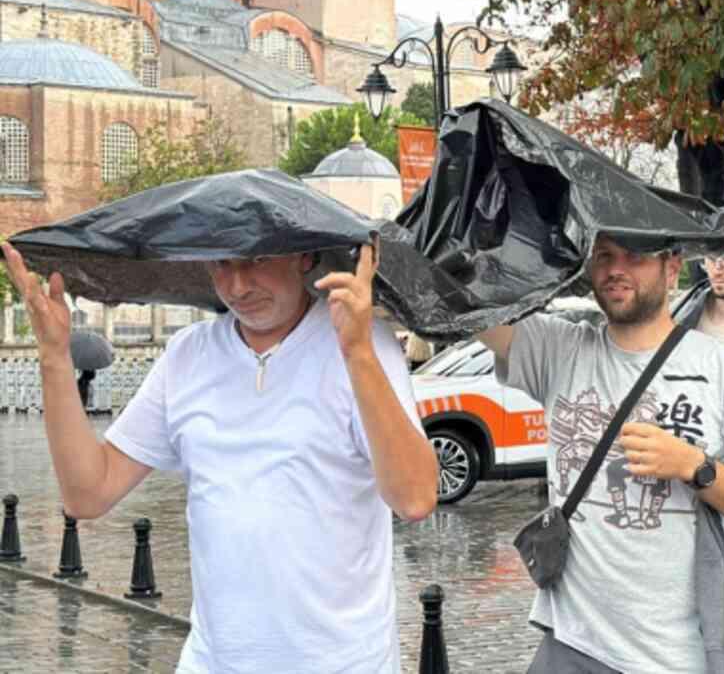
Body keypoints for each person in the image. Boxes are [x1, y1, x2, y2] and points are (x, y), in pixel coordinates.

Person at [1, 241, 438, 672]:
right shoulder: (189, 354)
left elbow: (415, 498)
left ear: (304, 253)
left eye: (258, 259)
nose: (238, 285)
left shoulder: (365, 343)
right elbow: (88, 494)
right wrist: (54, 357)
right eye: (222, 263)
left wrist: (356, 352)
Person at [479, 234, 724, 673]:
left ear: (672, 267)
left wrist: (695, 468)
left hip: (680, 657)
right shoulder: (558, 349)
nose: (616, 269)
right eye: (604, 256)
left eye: (635, 255)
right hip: (571, 645)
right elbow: (460, 296)